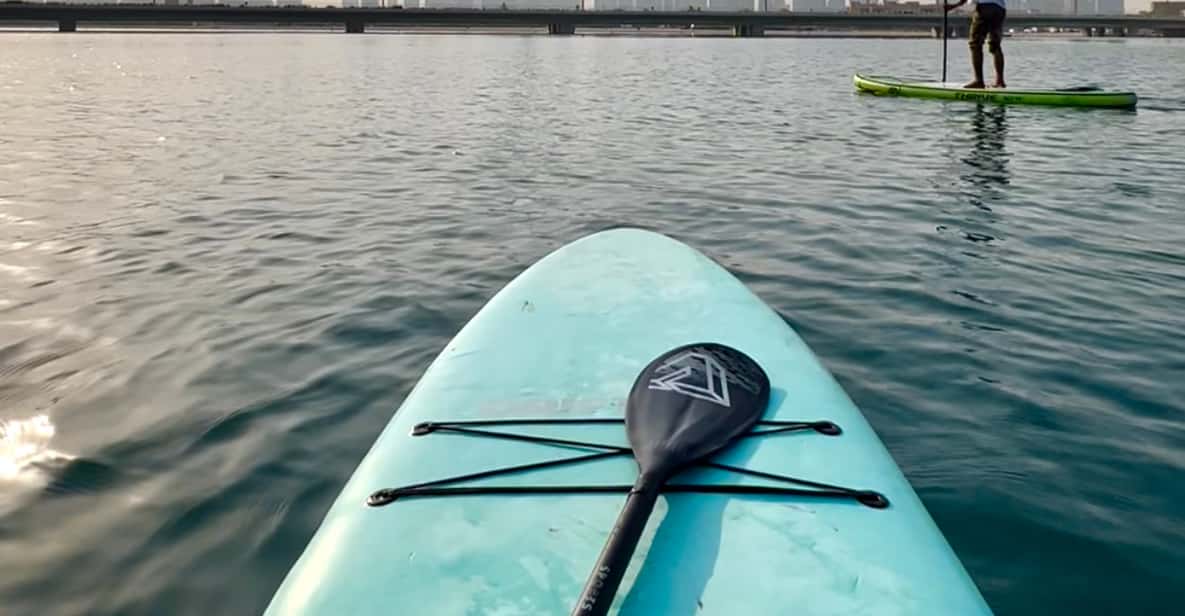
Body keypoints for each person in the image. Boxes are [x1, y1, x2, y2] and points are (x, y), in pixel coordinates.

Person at [946, 0, 1007, 89]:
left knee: (975, 44)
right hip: (1000, 9)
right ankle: (1000, 81)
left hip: (985, 7)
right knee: (995, 45)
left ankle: (979, 81)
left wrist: (955, 5)